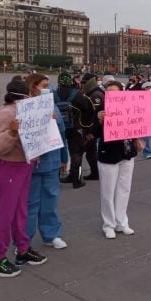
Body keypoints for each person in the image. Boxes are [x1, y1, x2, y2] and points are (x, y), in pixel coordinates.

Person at [0, 80, 47, 278]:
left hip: (24, 166)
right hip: (10, 168)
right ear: (22, 97)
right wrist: (12, 132)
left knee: (20, 211)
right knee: (5, 214)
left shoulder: (25, 111)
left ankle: (22, 249)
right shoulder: (6, 113)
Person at [24, 74, 69, 250]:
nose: (48, 88)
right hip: (32, 162)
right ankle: (24, 239)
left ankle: (51, 234)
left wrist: (64, 158)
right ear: (33, 86)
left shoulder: (53, 106)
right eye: (44, 85)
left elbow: (62, 134)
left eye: (48, 85)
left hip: (51, 160)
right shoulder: (24, 106)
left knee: (50, 198)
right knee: (30, 202)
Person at [94, 81, 140, 238]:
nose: (111, 95)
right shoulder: (101, 109)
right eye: (108, 93)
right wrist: (100, 121)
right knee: (108, 191)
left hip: (127, 153)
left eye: (114, 92)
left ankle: (122, 222)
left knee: (124, 189)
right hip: (108, 155)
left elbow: (139, 123)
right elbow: (94, 133)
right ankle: (108, 224)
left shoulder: (131, 105)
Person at [56, 71, 93, 188]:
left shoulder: (53, 95)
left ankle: (56, 179)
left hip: (58, 129)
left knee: (57, 154)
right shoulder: (77, 94)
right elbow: (87, 109)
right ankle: (77, 179)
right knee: (77, 154)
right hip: (75, 128)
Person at [82, 74, 105, 180]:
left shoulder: (95, 94)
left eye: (83, 83)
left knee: (89, 152)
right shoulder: (94, 92)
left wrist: (90, 130)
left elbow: (94, 114)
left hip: (91, 127)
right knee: (90, 152)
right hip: (91, 127)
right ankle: (95, 172)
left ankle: (95, 173)